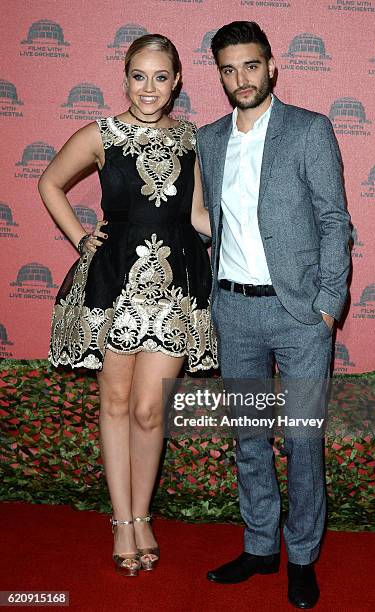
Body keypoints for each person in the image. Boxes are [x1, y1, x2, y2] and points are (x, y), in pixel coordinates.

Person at [39, 34, 217, 577]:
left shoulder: (191, 139)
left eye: (160, 77)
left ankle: (143, 513)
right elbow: (50, 183)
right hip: (114, 282)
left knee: (148, 409)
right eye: (139, 76)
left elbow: (200, 216)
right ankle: (123, 522)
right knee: (115, 405)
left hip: (172, 286)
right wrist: (79, 239)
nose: (149, 88)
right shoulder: (101, 134)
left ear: (177, 81)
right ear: (125, 77)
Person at [197, 22, 350, 608]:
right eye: (229, 70)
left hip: (300, 316)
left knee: (303, 441)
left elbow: (335, 220)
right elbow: (208, 219)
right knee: (249, 439)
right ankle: (261, 548)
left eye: (251, 66)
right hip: (233, 311)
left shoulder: (310, 130)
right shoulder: (210, 139)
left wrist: (328, 306)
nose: (242, 79)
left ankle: (303, 557)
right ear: (220, 75)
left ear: (271, 67)